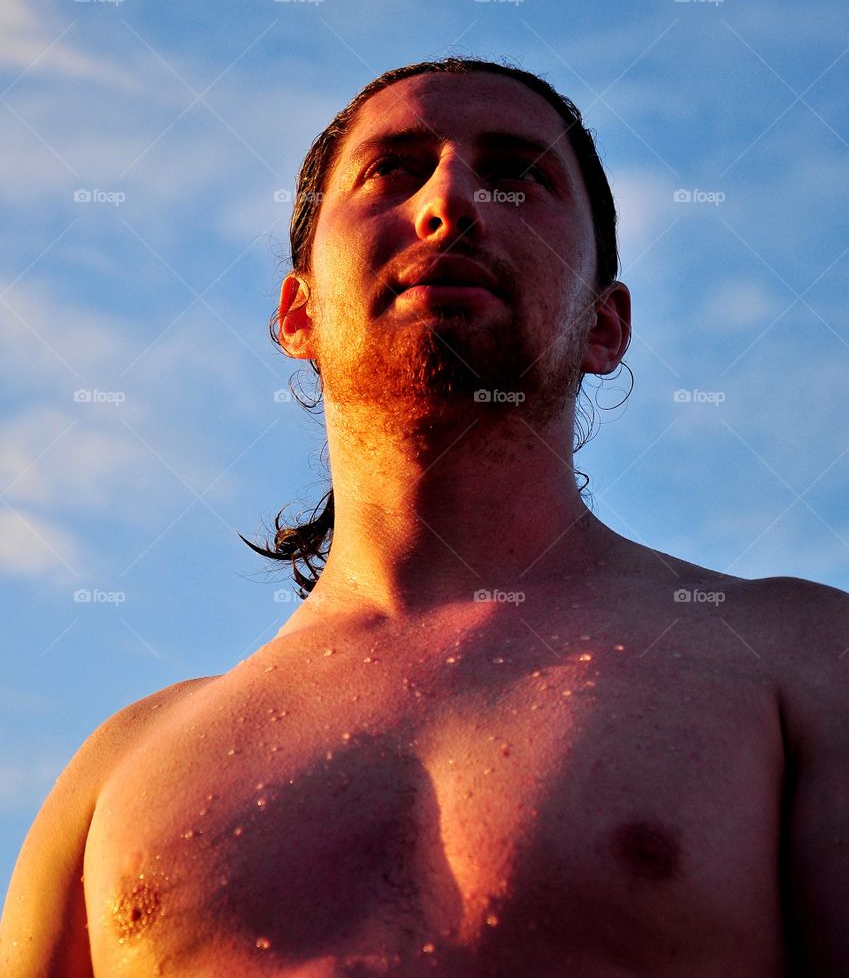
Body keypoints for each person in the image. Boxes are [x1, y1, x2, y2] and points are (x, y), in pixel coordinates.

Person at [2, 57, 848, 977]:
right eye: (393, 170)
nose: (450, 204)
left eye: (517, 177)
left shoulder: (798, 663)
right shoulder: (118, 777)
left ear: (605, 326)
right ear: (298, 312)